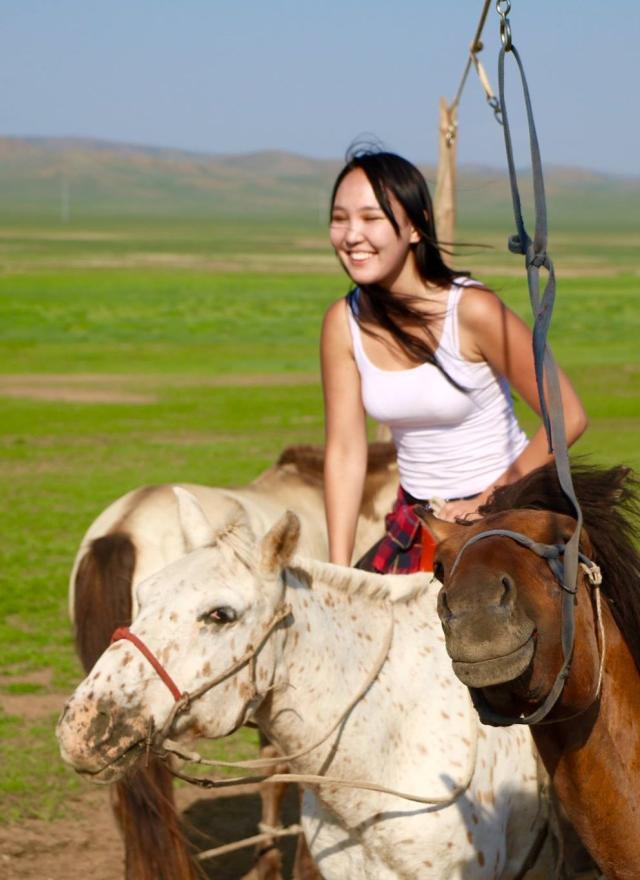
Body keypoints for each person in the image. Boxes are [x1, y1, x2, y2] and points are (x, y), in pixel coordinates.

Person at [321, 149, 587, 572]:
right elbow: (345, 452)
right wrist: (336, 572)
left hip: (510, 506)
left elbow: (567, 415)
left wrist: (484, 502)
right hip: (420, 519)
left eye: (371, 219)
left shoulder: (472, 309)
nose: (352, 235)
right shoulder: (343, 322)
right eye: (340, 218)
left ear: (414, 225)